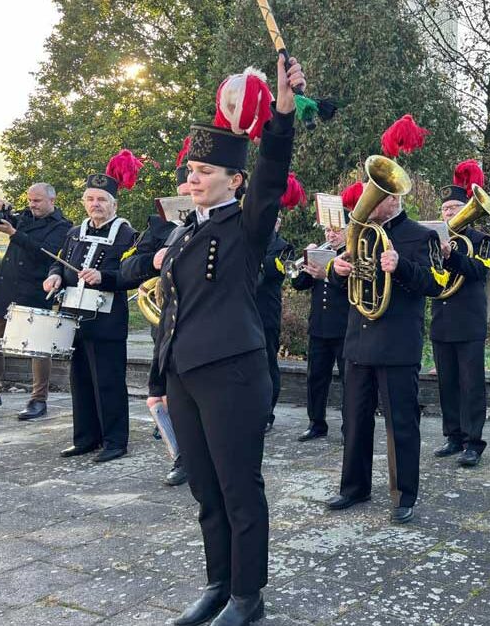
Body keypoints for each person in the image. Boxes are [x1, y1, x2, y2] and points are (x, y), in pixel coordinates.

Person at [156, 58, 304, 626]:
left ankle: (248, 596)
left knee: (240, 489)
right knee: (205, 489)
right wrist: (158, 381)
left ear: (233, 180)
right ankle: (218, 583)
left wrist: (282, 110)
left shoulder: (245, 226)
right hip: (184, 375)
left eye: (203, 171)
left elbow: (273, 169)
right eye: (190, 170)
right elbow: (172, 310)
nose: (191, 179)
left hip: (234, 375)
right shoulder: (182, 229)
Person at [325, 114, 443, 525]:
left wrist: (402, 268)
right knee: (353, 421)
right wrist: (338, 272)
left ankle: (404, 494)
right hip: (359, 339)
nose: (372, 203)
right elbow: (353, 282)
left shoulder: (419, 236)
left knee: (401, 425)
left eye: (380, 197)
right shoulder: (361, 234)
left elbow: (434, 284)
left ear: (395, 199)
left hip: (397, 344)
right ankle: (353, 487)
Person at [44, 153, 142, 463]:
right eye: (90, 198)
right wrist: (54, 277)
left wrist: (105, 277)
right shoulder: (74, 232)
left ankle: (115, 441)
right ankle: (85, 438)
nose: (95, 204)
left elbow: (133, 274)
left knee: (109, 382)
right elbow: (57, 263)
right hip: (74, 317)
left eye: (101, 199)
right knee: (81, 380)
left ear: (114, 204)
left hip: (107, 319)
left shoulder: (128, 235)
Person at [119, 146, 194, 486]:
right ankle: (180, 456)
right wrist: (153, 260)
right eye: (182, 197)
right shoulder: (157, 227)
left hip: (206, 325)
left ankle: (200, 455)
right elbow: (126, 269)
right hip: (167, 326)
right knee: (162, 396)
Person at [430, 160, 490, 468]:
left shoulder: (481, 241)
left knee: (471, 385)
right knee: (447, 383)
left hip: (468, 322)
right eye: (446, 209)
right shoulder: (431, 238)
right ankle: (453, 436)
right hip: (442, 319)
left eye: (456, 207)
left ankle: (474, 442)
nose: (450, 213)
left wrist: (451, 256)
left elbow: (478, 271)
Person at [0, 184, 71, 419]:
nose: (32, 204)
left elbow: (45, 252)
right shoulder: (23, 217)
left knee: (38, 350)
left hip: (34, 292)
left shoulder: (62, 226)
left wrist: (14, 234)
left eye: (37, 201)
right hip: (5, 289)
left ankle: (38, 399)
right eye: (30, 200)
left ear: (52, 200)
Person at [290, 189, 351, 442]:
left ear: (348, 231)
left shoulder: (351, 254)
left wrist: (327, 274)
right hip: (319, 327)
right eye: (328, 230)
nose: (331, 234)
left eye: (336, 230)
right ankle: (316, 423)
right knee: (316, 378)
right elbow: (300, 284)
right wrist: (305, 261)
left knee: (349, 381)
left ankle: (351, 426)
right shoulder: (320, 251)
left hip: (345, 327)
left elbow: (354, 287)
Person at [256, 190, 299, 433]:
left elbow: (267, 274)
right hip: (244, 312)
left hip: (266, 312)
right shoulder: (249, 242)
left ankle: (268, 412)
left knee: (267, 363)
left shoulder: (284, 247)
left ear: (278, 222)